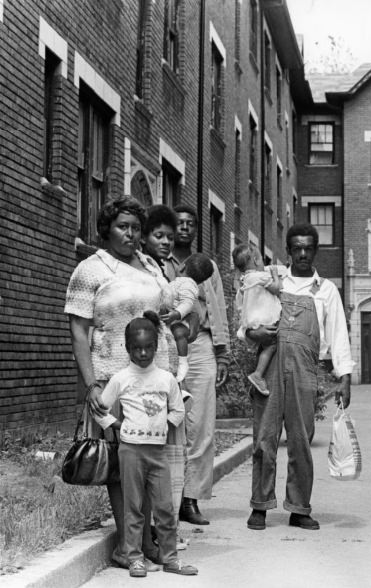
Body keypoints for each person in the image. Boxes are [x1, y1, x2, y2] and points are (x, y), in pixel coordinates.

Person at [65, 196, 173, 569]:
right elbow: (79, 332)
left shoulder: (150, 266)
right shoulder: (91, 269)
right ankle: (131, 547)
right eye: (123, 227)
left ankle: (145, 542)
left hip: (153, 379)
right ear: (106, 229)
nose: (131, 234)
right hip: (113, 378)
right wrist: (92, 385)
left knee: (150, 463)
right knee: (122, 467)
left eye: (136, 228)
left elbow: (163, 314)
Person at [245, 224, 354, 531]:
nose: (303, 254)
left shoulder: (326, 290)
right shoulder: (272, 281)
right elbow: (248, 321)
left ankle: (299, 507)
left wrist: (344, 377)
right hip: (269, 367)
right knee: (264, 440)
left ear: (315, 250)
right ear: (289, 251)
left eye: (308, 248)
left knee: (301, 440)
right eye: (297, 248)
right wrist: (254, 333)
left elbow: (338, 335)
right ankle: (260, 506)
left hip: (306, 368)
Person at [93, 311, 196, 578]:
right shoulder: (120, 378)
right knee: (134, 507)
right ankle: (134, 557)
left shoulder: (165, 378)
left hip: (158, 452)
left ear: (156, 346)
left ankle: (170, 558)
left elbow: (178, 411)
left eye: (148, 347)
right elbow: (99, 409)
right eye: (136, 348)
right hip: (130, 451)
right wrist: (116, 426)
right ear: (127, 348)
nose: (142, 353)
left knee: (164, 507)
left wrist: (163, 425)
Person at [165, 204, 230, 526]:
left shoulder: (208, 266)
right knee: (168, 421)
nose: (186, 228)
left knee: (201, 426)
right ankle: (167, 497)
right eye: (180, 223)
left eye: (191, 223)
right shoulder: (160, 263)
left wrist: (223, 353)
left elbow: (217, 309)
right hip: (165, 345)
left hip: (201, 346)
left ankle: (190, 499)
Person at [140, 204, 190, 552]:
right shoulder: (141, 270)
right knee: (150, 452)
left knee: (170, 453)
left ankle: (164, 528)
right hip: (146, 370)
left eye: (170, 237)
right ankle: (152, 532)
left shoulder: (162, 269)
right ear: (145, 236)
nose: (166, 242)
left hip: (167, 372)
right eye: (159, 236)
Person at [232, 243, 282, 396]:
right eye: (261, 259)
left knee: (264, 347)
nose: (264, 263)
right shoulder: (261, 277)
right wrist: (274, 275)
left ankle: (259, 373)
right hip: (265, 321)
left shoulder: (245, 279)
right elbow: (277, 288)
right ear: (255, 260)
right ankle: (258, 374)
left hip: (252, 323)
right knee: (271, 345)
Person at [162, 253, 213, 383]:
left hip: (181, 320)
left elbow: (187, 303)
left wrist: (176, 314)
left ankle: (183, 362)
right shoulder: (181, 282)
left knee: (179, 334)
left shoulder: (188, 284)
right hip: (173, 319)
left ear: (182, 267)